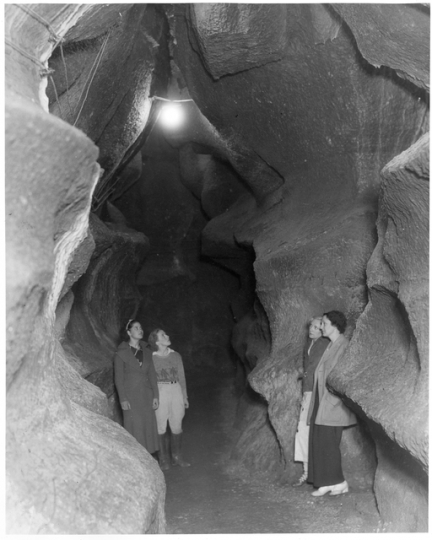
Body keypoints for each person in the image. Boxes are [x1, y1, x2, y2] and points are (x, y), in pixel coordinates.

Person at [307, 310, 357, 496]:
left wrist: (334, 399)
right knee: (321, 441)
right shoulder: (331, 345)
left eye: (325, 323)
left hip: (333, 401)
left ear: (335, 326)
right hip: (323, 399)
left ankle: (339, 482)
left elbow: (341, 377)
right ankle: (327, 482)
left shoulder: (343, 345)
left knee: (328, 442)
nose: (322, 326)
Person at [292, 317, 329, 486]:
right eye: (311, 326)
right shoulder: (309, 344)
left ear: (323, 330)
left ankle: (316, 472)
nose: (312, 329)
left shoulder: (323, 345)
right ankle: (307, 472)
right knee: (302, 430)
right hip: (308, 392)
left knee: (312, 431)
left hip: (317, 393)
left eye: (316, 327)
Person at [114, 319, 160, 456]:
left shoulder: (147, 351)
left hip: (146, 395)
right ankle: (137, 460)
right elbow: (118, 379)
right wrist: (123, 399)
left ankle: (151, 461)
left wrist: (156, 395)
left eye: (141, 327)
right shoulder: (120, 353)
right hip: (131, 398)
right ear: (128, 332)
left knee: (148, 428)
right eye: (136, 328)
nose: (140, 330)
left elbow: (152, 375)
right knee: (135, 430)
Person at [148, 328, 190, 470]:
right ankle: (164, 459)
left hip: (175, 389)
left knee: (177, 423)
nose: (167, 336)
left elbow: (182, 377)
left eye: (166, 334)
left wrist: (184, 396)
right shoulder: (151, 358)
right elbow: (148, 380)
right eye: (163, 335)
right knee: (161, 425)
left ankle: (177, 457)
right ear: (157, 341)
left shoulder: (176, 356)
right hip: (160, 390)